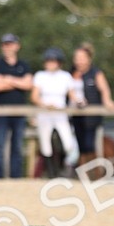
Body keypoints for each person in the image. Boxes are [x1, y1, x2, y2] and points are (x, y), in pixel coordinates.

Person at [31, 47, 82, 175]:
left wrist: (79, 101)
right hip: (45, 112)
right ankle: (52, 173)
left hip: (60, 113)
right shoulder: (40, 76)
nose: (50, 63)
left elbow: (72, 95)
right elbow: (35, 96)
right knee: (46, 144)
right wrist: (45, 105)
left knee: (68, 143)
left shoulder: (65, 76)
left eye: (53, 61)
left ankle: (67, 169)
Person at [0, 33, 34, 179]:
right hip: (1, 112)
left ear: (17, 46)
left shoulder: (24, 65)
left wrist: (8, 79)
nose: (7, 47)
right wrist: (18, 82)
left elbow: (29, 84)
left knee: (17, 146)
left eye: (10, 44)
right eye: (5, 44)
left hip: (19, 112)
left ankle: (16, 178)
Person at [70, 43, 114, 165]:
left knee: (90, 145)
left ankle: (93, 171)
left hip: (92, 118)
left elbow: (104, 89)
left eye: (82, 58)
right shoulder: (71, 73)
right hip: (76, 116)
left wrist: (107, 100)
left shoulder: (95, 73)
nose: (79, 61)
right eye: (77, 58)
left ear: (89, 59)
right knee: (80, 147)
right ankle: (83, 171)